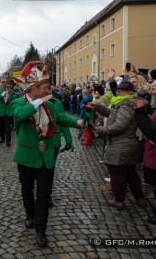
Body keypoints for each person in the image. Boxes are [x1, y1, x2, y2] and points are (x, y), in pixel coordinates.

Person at [12, 61, 82, 248]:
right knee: (27, 190)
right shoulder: (18, 102)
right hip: (26, 156)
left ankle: (41, 229)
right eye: (44, 87)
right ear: (34, 88)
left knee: (44, 195)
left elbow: (61, 118)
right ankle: (29, 214)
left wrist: (79, 122)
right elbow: (19, 116)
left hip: (46, 156)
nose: (47, 90)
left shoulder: (51, 104)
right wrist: (36, 102)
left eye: (47, 87)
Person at [89, 80, 147, 210]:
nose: (118, 92)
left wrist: (101, 130)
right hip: (127, 145)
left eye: (121, 90)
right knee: (131, 173)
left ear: (129, 92)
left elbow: (119, 126)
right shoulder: (126, 103)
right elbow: (113, 114)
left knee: (117, 173)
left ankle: (119, 200)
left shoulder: (126, 105)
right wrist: (98, 107)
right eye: (118, 90)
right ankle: (139, 198)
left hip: (121, 145)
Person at [133, 91, 156, 224]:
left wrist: (141, 112)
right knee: (152, 182)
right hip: (151, 151)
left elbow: (152, 131)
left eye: (155, 87)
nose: (152, 90)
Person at [0, 77, 15, 146]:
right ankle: (2, 138)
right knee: (1, 127)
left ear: (7, 83)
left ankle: (8, 140)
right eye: (2, 82)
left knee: (8, 126)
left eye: (5, 82)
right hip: (0, 111)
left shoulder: (11, 91)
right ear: (0, 83)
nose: (3, 83)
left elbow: (13, 101)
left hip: (8, 111)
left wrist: (13, 109)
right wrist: (2, 95)